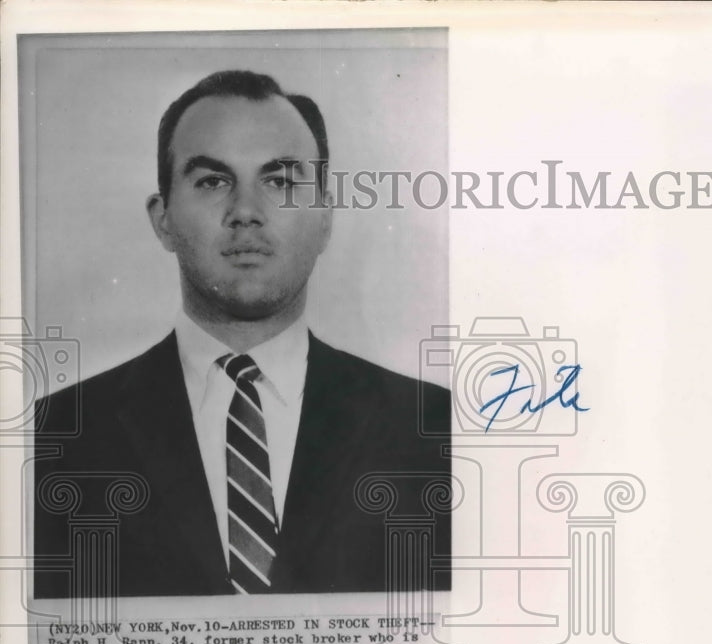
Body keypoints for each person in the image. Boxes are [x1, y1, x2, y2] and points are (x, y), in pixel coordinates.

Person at [34, 70, 450, 598]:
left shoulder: (434, 430)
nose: (246, 213)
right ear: (162, 220)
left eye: (279, 182)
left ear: (324, 218)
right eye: (212, 181)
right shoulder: (52, 438)